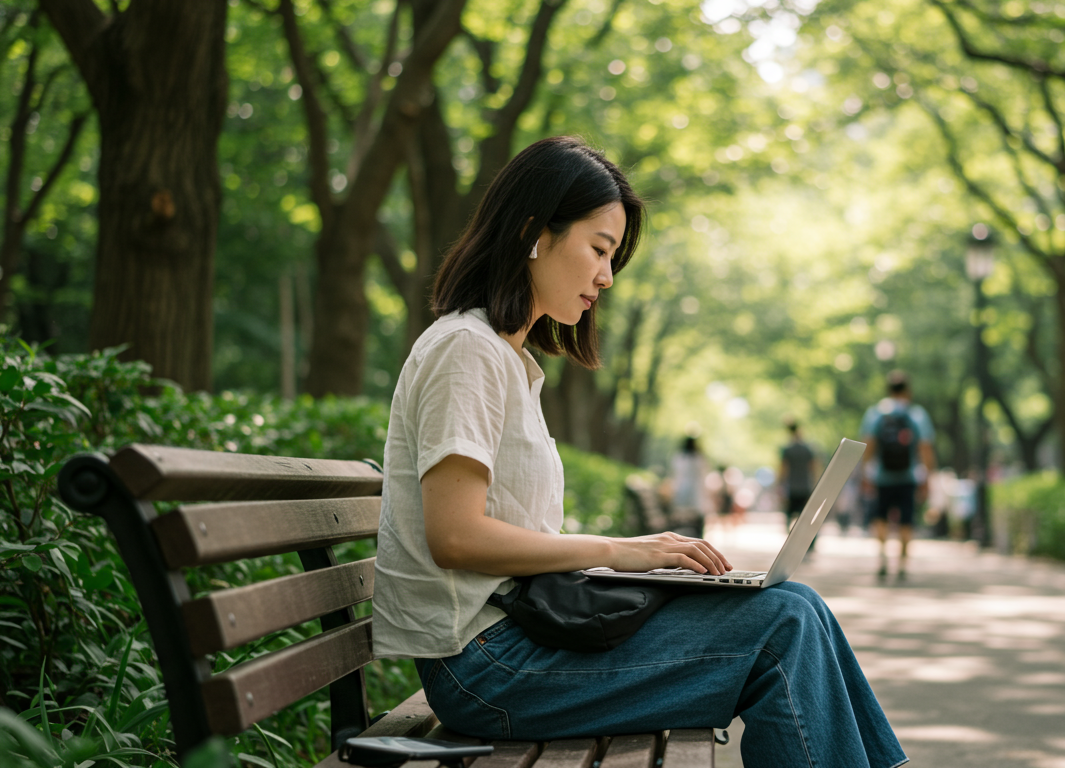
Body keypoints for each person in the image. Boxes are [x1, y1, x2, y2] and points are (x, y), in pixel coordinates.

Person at [370, 136, 906, 768]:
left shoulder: (508, 360)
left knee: (798, 605)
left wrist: (641, 566)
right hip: (488, 668)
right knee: (781, 628)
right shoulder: (468, 350)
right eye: (599, 249)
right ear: (533, 233)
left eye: (613, 257)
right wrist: (622, 552)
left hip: (520, 640)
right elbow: (455, 538)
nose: (607, 276)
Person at [860, 371, 936, 580]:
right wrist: (927, 477)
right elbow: (925, 448)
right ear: (908, 390)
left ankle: (883, 559)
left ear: (888, 390)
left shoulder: (876, 413)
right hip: (908, 477)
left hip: (881, 477)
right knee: (906, 520)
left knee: (880, 517)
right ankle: (902, 565)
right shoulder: (917, 414)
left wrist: (865, 474)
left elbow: (868, 445)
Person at [777, 419, 820, 550]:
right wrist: (815, 484)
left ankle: (791, 542)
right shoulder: (808, 449)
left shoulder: (787, 449)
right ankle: (810, 543)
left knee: (790, 517)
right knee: (807, 516)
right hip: (806, 487)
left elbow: (783, 469)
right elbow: (814, 468)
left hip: (792, 488)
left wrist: (779, 485)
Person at [668, 435, 710, 537]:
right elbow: (703, 474)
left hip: (681, 491)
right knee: (697, 515)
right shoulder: (698, 458)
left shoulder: (679, 457)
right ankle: (698, 537)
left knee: (683, 511)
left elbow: (675, 474)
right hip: (696, 491)